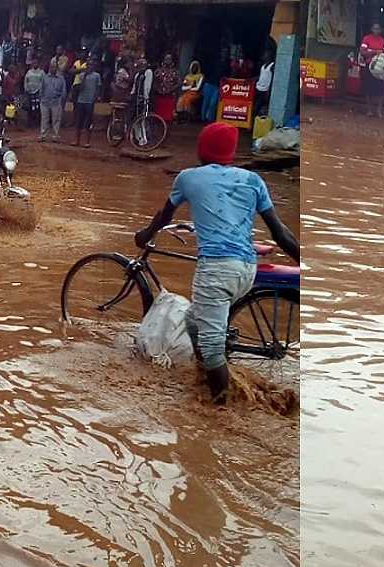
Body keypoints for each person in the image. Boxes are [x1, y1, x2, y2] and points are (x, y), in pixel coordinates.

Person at [134, 123, 300, 404]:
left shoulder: (188, 178)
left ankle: (221, 413)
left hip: (216, 270)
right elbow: (279, 232)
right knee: (192, 322)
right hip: (247, 269)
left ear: (202, 149)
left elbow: (164, 216)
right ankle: (205, 379)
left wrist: (145, 235)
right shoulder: (252, 180)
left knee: (211, 347)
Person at [359, 23, 384, 118]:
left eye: (378, 29)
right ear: (372, 29)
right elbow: (362, 52)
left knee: (381, 89)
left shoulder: (382, 41)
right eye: (375, 28)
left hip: (380, 68)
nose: (376, 30)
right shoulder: (366, 39)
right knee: (368, 88)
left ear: (381, 30)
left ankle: (379, 110)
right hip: (369, 66)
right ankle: (369, 109)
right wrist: (374, 52)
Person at [72, 58, 102, 148]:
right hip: (81, 100)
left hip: (90, 101)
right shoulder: (81, 75)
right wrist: (84, 76)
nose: (90, 67)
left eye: (91, 65)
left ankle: (87, 141)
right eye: (88, 65)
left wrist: (96, 97)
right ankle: (77, 140)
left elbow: (98, 87)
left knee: (88, 122)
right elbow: (80, 88)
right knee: (79, 122)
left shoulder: (97, 76)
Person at [39, 60, 66, 142]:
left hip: (56, 102)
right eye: (51, 67)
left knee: (56, 120)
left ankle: (55, 136)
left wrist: (61, 101)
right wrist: (41, 99)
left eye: (54, 67)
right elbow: (41, 89)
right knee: (44, 119)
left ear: (57, 68)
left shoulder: (61, 78)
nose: (52, 69)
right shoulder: (45, 77)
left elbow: (64, 91)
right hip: (45, 101)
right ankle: (43, 135)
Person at [155, 53, 181, 123]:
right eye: (166, 58)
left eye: (169, 59)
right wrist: (158, 89)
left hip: (170, 96)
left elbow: (178, 83)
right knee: (159, 117)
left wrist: (171, 89)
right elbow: (155, 82)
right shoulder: (158, 71)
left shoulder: (175, 72)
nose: (167, 60)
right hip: (160, 95)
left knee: (168, 118)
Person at [24, 61, 45, 129]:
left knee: (38, 108)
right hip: (30, 92)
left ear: (38, 64)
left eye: (36, 63)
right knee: (30, 108)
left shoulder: (42, 72)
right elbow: (26, 81)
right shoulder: (29, 72)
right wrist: (26, 89)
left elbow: (43, 82)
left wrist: (41, 91)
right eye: (34, 63)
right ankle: (29, 122)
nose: (35, 64)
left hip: (38, 93)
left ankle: (37, 122)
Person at [253, 52, 273, 118]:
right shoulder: (263, 65)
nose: (264, 56)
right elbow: (261, 76)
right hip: (258, 88)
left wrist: (269, 90)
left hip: (265, 90)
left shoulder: (272, 65)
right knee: (255, 107)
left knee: (261, 107)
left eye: (266, 55)